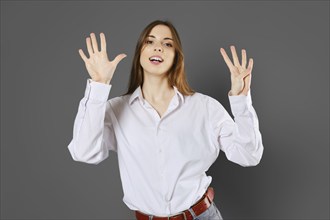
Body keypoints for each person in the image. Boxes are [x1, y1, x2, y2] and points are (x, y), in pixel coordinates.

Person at [67, 20, 264, 220]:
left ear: (177, 57)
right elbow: (84, 152)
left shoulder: (205, 107)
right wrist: (99, 86)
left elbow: (249, 155)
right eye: (150, 42)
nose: (158, 47)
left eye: (167, 44)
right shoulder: (115, 110)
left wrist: (241, 101)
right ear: (140, 54)